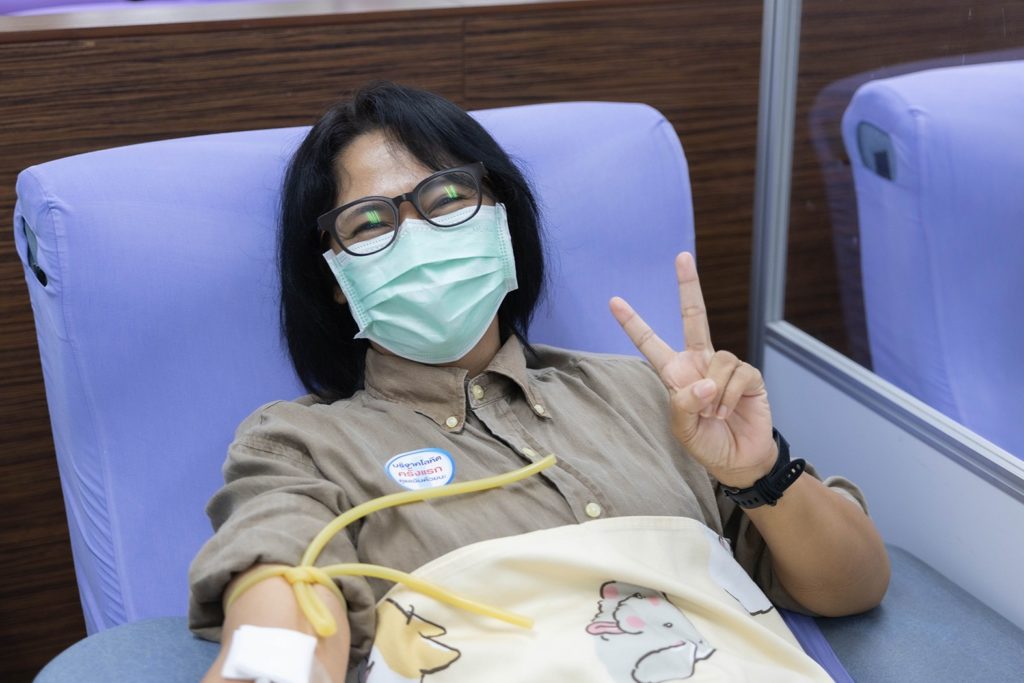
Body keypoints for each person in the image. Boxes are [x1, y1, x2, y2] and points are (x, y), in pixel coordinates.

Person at [189, 81, 890, 683]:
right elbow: (284, 605)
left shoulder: (657, 398)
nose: (418, 233)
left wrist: (759, 471)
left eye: (447, 197)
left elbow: (855, 586)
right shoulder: (301, 445)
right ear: (334, 278)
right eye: (368, 221)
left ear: (502, 219)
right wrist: (273, 656)